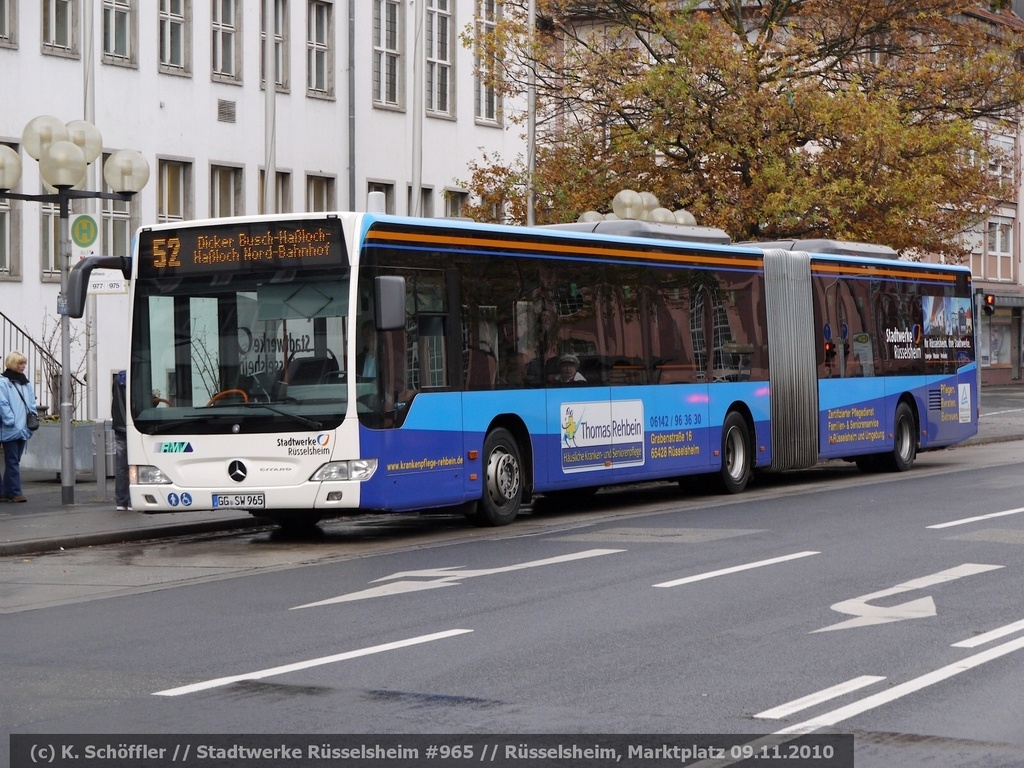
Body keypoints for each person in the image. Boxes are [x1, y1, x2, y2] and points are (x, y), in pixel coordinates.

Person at [0, 350, 39, 503]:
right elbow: (2, 403)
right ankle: (16, 492)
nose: (23, 366)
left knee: (14, 460)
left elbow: (31, 402)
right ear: (13, 363)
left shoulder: (25, 382)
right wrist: (10, 420)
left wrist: (33, 416)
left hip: (23, 427)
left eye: (24, 363)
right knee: (12, 460)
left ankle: (4, 491)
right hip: (11, 427)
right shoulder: (3, 382)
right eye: (20, 363)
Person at [111, 370, 131, 511]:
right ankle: (131, 500)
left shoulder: (118, 379)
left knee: (121, 466)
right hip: (134, 427)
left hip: (119, 426)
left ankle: (121, 501)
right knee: (136, 465)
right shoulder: (136, 378)